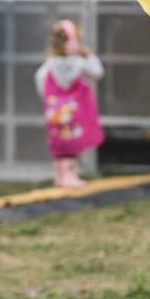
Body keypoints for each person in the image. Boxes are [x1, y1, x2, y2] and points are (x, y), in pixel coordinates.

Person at [35, 19, 104, 188]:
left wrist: (49, 101)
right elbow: (97, 72)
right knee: (72, 144)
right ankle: (69, 176)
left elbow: (40, 79)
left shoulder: (50, 63)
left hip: (54, 111)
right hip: (74, 112)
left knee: (59, 145)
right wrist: (88, 55)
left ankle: (60, 176)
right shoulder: (79, 61)